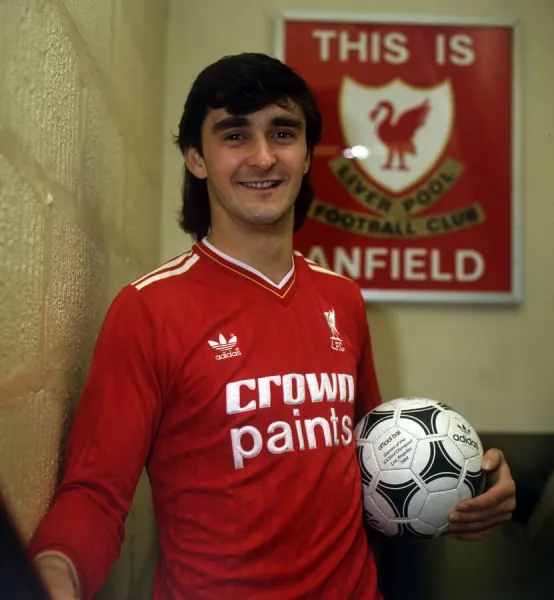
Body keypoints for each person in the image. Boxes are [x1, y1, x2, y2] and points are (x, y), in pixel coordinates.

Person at [29, 53, 516, 600]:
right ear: (195, 158)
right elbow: (94, 495)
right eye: (234, 135)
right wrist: (54, 573)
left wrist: (467, 489)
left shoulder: (343, 299)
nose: (263, 157)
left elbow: (372, 465)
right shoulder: (148, 309)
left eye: (282, 133)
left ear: (307, 154)